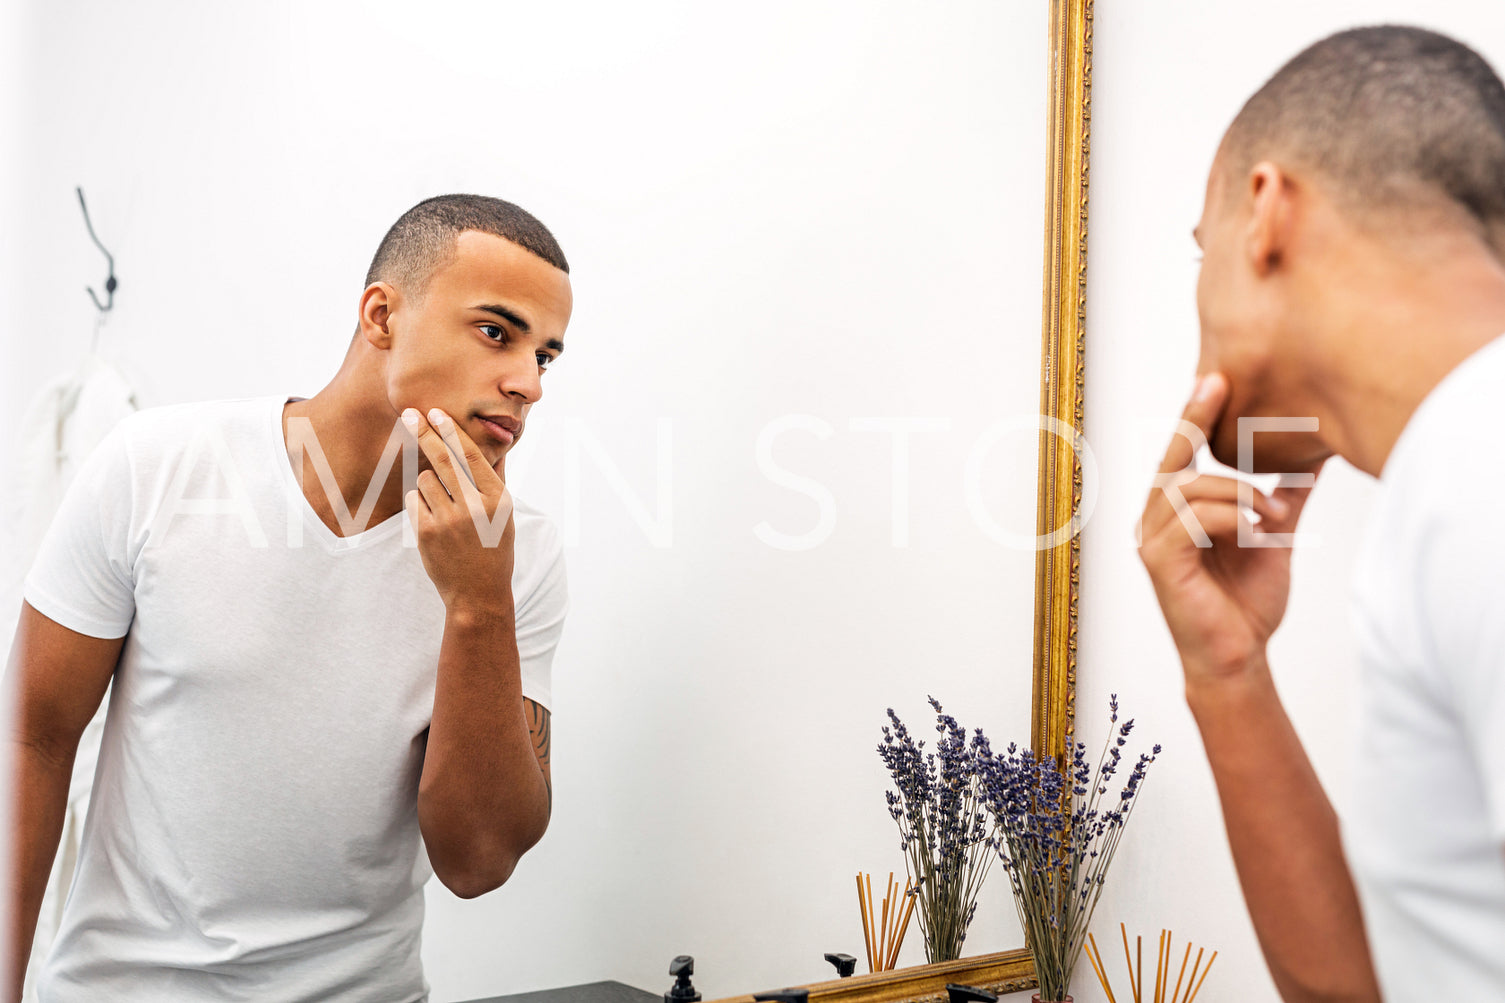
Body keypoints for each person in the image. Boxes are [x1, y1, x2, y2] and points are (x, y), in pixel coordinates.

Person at [5, 194, 573, 1002]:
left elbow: (478, 861)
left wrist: (479, 603)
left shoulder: (521, 552)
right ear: (382, 315)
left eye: (546, 356)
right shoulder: (158, 465)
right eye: (496, 332)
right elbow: (32, 740)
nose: (528, 384)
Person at [1139, 24, 1505, 1001]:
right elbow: (1377, 987)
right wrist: (1226, 671)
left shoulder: (1482, 468)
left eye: (1196, 249)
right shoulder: (1449, 476)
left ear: (1263, 212)